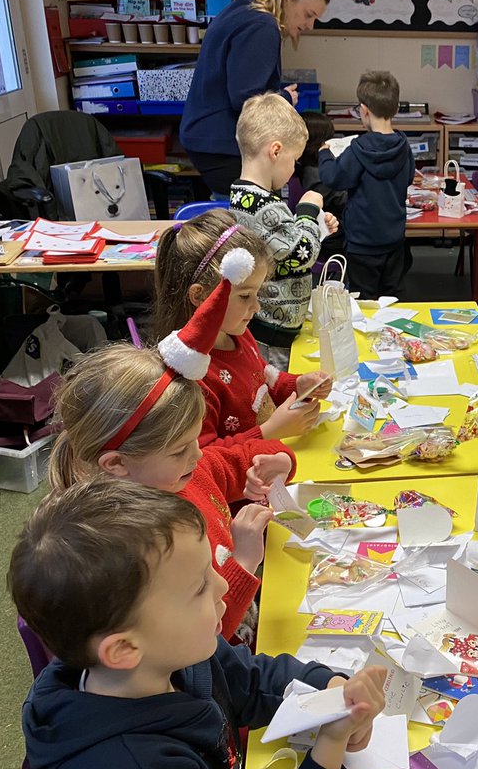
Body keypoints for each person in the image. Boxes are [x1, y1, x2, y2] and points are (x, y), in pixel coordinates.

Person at [12, 477, 387, 769]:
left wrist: (332, 689)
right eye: (199, 587)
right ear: (124, 649)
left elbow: (252, 680)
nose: (224, 585)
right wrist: (330, 747)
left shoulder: (172, 655)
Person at [51, 250, 298, 643]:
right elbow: (206, 641)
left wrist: (277, 460)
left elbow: (227, 460)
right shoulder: (142, 547)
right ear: (115, 463)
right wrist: (245, 561)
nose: (199, 453)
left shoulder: (181, 472)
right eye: (181, 449)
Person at [153, 210, 332, 447]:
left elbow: (263, 379)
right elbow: (204, 458)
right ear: (199, 295)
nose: (256, 306)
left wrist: (297, 386)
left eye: (257, 293)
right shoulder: (189, 377)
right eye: (245, 296)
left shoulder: (237, 333)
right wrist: (270, 431)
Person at [181, 0, 329, 195]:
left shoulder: (245, 10)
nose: (310, 25)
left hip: (205, 137)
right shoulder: (262, 26)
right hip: (222, 143)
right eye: (308, 15)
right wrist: (285, 99)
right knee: (254, 212)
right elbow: (246, 99)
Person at [227, 92, 338, 366]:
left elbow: (283, 246)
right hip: (273, 332)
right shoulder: (262, 206)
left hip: (275, 325)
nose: (293, 168)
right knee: (278, 393)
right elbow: (301, 254)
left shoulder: (246, 197)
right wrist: (308, 210)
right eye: (294, 160)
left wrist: (315, 227)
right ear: (275, 151)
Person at [317, 70, 413, 298]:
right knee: (393, 297)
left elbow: (334, 178)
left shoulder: (358, 149)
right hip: (394, 239)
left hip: (362, 242)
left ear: (364, 110)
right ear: (396, 108)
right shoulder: (404, 146)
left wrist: (324, 155)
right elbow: (408, 178)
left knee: (364, 300)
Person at [296, 110, 347, 263]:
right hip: (333, 235)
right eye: (325, 141)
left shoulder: (315, 167)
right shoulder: (314, 175)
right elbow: (343, 198)